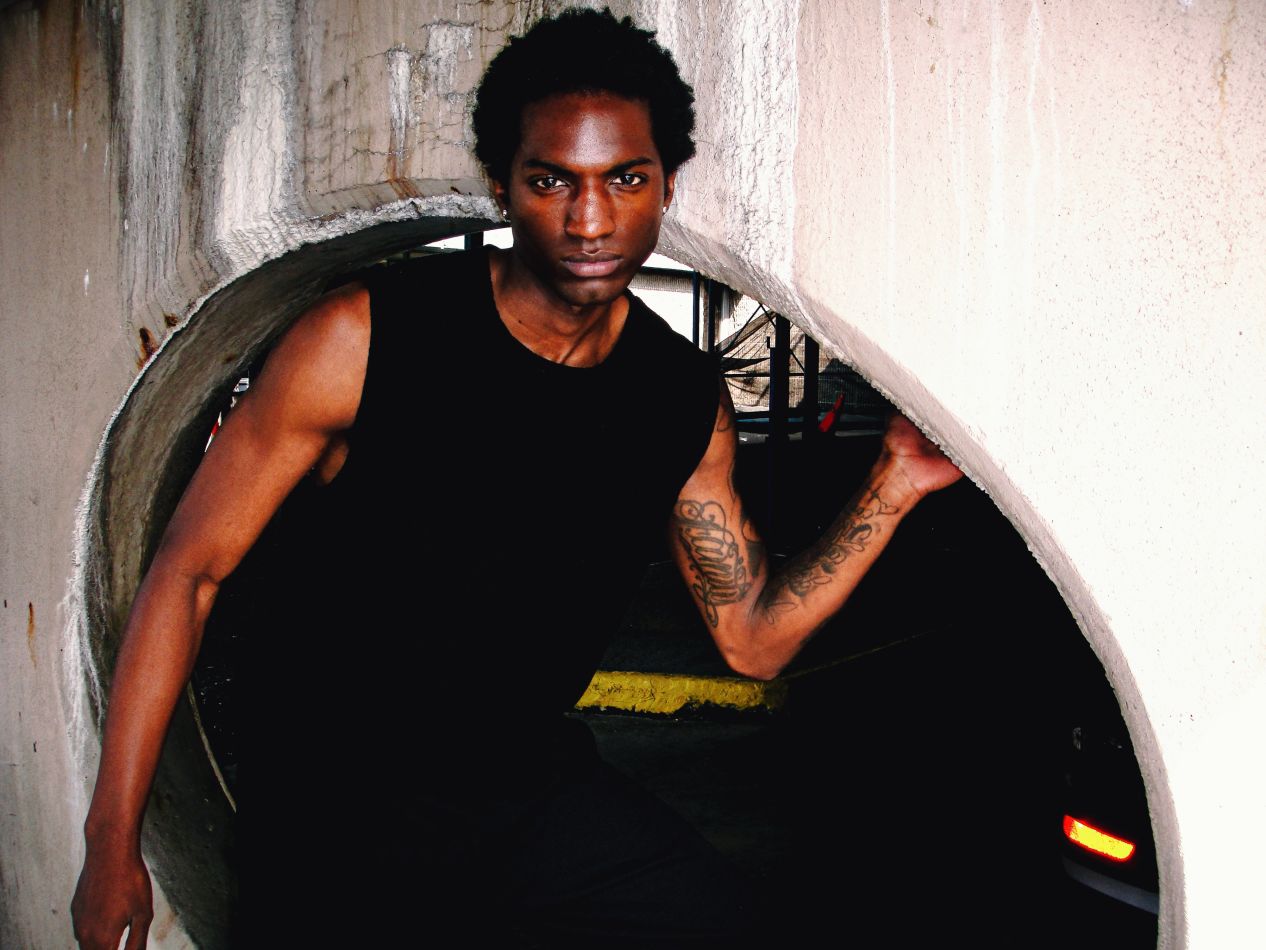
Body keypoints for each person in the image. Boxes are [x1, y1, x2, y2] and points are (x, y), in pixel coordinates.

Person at [72, 8, 962, 948]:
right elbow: (189, 574)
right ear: (502, 185)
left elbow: (751, 641)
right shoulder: (364, 339)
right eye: (552, 181)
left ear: (666, 185)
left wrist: (893, 483)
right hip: (337, 816)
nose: (590, 220)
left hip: (528, 797)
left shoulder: (676, 396)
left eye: (626, 179)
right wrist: (111, 839)